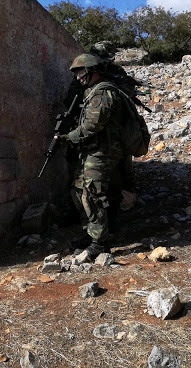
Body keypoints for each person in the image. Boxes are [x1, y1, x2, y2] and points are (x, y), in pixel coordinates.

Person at [56, 53, 126, 257]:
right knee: (78, 189)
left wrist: (67, 137)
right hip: (92, 150)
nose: (78, 78)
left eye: (81, 72)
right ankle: (91, 232)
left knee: (93, 193)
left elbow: (92, 126)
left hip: (103, 151)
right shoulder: (91, 92)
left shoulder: (102, 93)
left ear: (93, 72)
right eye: (76, 73)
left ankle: (100, 242)